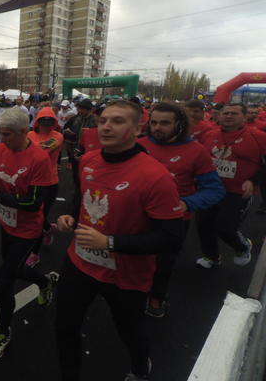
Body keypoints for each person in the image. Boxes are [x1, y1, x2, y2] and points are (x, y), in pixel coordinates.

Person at [54, 100, 184, 381]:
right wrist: (70, 217)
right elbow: (82, 199)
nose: (106, 127)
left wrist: (109, 243)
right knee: (64, 325)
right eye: (103, 121)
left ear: (138, 129)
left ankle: (140, 368)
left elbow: (171, 239)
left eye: (117, 121)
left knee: (129, 330)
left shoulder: (155, 176)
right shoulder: (88, 160)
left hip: (125, 274)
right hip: (80, 262)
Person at [0, 107, 57, 362]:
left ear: (23, 131)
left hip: (28, 230)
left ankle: (3, 331)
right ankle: (45, 282)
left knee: (3, 282)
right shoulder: (2, 148)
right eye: (0, 133)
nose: (1, 138)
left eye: (7, 134)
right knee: (15, 269)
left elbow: (33, 203)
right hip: (6, 223)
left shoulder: (39, 159)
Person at [139, 102, 225, 317]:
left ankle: (157, 297)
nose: (157, 128)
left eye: (165, 123)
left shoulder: (196, 151)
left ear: (180, 124)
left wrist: (188, 203)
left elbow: (214, 189)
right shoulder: (137, 145)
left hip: (174, 219)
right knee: (135, 259)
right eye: (154, 122)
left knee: (164, 261)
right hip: (138, 215)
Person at [197, 103, 266, 268]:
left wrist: (253, 180)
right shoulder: (209, 134)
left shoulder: (259, 137)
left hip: (238, 192)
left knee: (225, 228)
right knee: (203, 225)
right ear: (219, 116)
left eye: (234, 113)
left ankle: (243, 246)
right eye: (226, 113)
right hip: (210, 189)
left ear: (244, 117)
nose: (228, 116)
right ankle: (212, 257)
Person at [25, 107, 64, 267]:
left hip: (49, 182)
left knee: (38, 218)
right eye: (43, 121)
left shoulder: (57, 136)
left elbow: (42, 150)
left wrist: (26, 148)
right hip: (30, 180)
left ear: (54, 122)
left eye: (50, 121)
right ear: (38, 121)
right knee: (33, 216)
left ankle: (34, 254)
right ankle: (48, 229)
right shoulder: (30, 134)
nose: (46, 124)